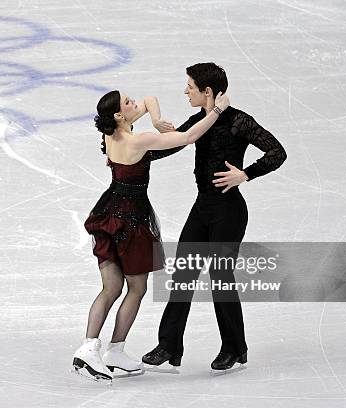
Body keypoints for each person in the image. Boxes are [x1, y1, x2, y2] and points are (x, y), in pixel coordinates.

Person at [72, 90, 231, 382]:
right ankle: (113, 350)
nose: (136, 105)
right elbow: (188, 137)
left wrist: (156, 119)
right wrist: (217, 111)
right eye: (128, 104)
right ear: (119, 116)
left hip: (107, 214)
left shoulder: (112, 135)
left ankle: (90, 348)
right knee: (136, 288)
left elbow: (149, 98)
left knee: (111, 288)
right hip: (131, 221)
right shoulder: (138, 140)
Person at [142, 62, 287, 371]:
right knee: (183, 275)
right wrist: (129, 147)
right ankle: (169, 345)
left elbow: (277, 152)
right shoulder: (199, 120)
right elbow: (160, 151)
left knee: (221, 278)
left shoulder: (239, 121)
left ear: (207, 91)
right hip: (202, 208)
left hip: (229, 211)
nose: (185, 91)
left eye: (190, 87)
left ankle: (234, 348)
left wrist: (246, 174)